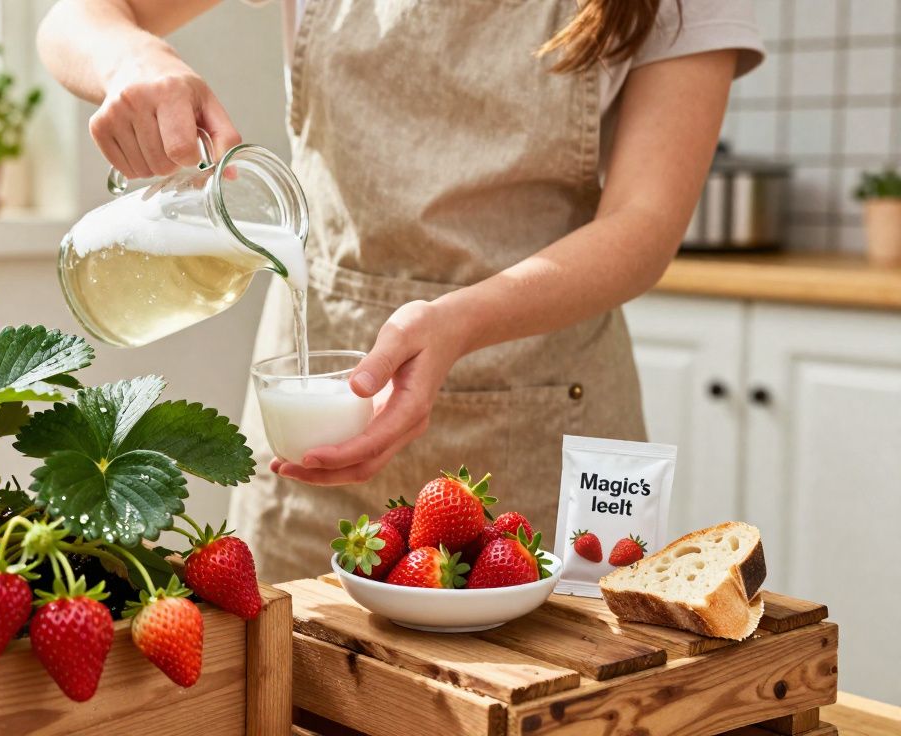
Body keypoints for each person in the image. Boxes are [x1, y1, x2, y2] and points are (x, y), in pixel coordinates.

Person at [38, 0, 764, 582]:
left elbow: (643, 229)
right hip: (317, 440)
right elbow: (74, 18)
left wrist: (460, 320)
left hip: (549, 418)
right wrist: (135, 56)